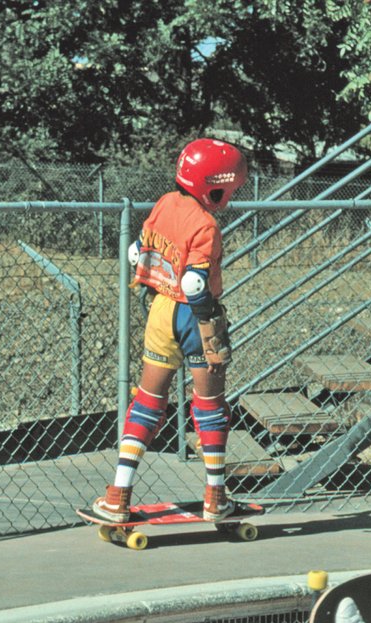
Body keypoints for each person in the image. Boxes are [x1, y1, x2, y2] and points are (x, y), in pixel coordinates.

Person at [93, 137, 249, 524]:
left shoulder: (163, 203)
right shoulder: (206, 224)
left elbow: (137, 251)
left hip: (161, 311)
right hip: (195, 315)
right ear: (215, 184)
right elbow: (196, 282)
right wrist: (207, 325)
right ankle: (215, 496)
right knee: (210, 407)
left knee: (147, 400)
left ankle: (117, 494)